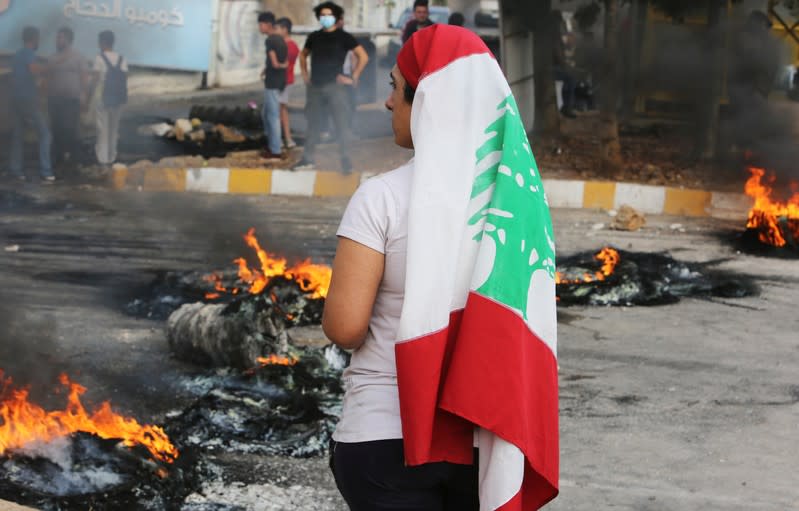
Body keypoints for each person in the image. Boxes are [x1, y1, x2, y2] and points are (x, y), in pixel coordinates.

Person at [323, 25, 558, 511]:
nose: (389, 103)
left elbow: (345, 328)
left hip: (385, 439)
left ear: (425, 98)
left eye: (395, 87)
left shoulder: (381, 197)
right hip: (483, 437)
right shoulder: (520, 206)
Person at [294, 2, 368, 173]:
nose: (325, 18)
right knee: (313, 123)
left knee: (341, 124)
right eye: (322, 15)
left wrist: (354, 76)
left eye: (328, 15)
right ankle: (307, 158)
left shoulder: (344, 37)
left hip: (336, 87)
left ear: (335, 17)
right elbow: (303, 55)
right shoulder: (314, 37)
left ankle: (345, 160)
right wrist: (305, 75)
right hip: (315, 87)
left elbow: (363, 56)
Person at [9, 26, 55, 183]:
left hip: (16, 98)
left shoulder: (17, 55)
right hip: (27, 99)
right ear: (34, 38)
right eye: (38, 38)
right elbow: (34, 69)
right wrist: (49, 67)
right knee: (45, 134)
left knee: (18, 135)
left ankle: (16, 170)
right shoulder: (29, 53)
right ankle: (46, 171)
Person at [47, 27, 88, 174]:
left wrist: (84, 95)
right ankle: (57, 162)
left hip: (72, 100)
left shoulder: (78, 57)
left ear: (69, 40)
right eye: (57, 38)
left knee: (71, 130)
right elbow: (49, 77)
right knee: (56, 130)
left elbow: (84, 77)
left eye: (61, 38)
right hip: (55, 100)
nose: (58, 40)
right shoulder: (52, 58)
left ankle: (74, 162)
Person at [88, 30, 127, 166]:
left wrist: (88, 95)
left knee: (103, 130)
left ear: (102, 42)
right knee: (114, 130)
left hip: (103, 99)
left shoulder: (99, 59)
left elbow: (95, 80)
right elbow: (124, 80)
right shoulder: (122, 59)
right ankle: (112, 159)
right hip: (119, 99)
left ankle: (103, 162)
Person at [258, 12, 288, 161]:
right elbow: (282, 61)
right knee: (266, 114)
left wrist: (277, 66)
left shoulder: (270, 41)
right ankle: (272, 144)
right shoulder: (282, 40)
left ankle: (275, 150)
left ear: (268, 25)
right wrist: (266, 69)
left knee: (272, 117)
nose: (259, 27)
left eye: (260, 24)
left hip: (272, 82)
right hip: (280, 81)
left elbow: (275, 63)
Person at [276, 17, 299, 150]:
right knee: (282, 110)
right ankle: (286, 139)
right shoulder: (291, 45)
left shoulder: (288, 46)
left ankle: (283, 139)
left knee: (279, 111)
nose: (276, 31)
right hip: (285, 81)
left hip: (283, 82)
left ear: (285, 29)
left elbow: (283, 64)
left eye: (278, 28)